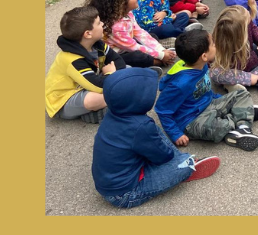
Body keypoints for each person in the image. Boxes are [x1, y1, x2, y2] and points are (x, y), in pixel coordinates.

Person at [91, 68, 221, 210]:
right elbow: (163, 157)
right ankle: (187, 167)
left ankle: (180, 165)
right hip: (125, 194)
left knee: (151, 128)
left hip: (112, 182)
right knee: (184, 164)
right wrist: (173, 158)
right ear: (139, 100)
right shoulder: (140, 127)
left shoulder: (116, 113)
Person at [156, 29, 258, 151]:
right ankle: (241, 116)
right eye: (213, 44)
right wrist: (175, 134)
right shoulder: (180, 84)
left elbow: (205, 90)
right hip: (192, 120)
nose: (216, 45)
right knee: (222, 126)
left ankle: (243, 125)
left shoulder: (200, 65)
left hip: (209, 104)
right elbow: (162, 110)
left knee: (242, 94)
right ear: (204, 56)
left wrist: (222, 101)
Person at [45, 6, 126, 124]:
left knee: (126, 71)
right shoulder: (71, 59)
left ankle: (104, 108)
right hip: (63, 100)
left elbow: (118, 61)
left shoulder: (98, 44)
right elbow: (98, 87)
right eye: (98, 23)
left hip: (89, 83)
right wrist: (111, 73)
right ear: (88, 34)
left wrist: (115, 74)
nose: (103, 23)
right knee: (93, 99)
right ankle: (97, 111)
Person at [89, 0, 176, 69]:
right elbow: (133, 47)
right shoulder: (116, 27)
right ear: (122, 4)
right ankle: (157, 63)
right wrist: (161, 56)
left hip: (127, 45)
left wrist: (160, 50)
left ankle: (160, 51)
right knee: (137, 56)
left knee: (151, 36)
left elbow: (140, 33)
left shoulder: (128, 14)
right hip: (117, 54)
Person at [209, 6, 258, 95]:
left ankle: (237, 83)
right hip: (235, 68)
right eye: (248, 20)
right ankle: (257, 79)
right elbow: (240, 66)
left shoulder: (245, 24)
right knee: (216, 74)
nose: (250, 20)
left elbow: (253, 28)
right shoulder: (224, 45)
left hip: (248, 59)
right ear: (240, 33)